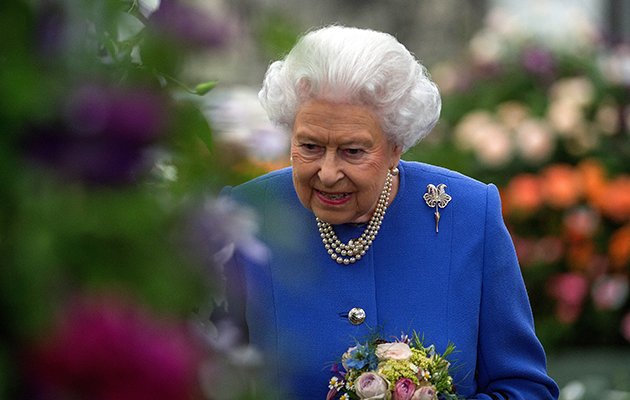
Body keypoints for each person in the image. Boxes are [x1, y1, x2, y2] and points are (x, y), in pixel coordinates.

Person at [217, 25, 559, 400]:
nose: (328, 173)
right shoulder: (247, 214)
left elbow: (525, 389)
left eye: (353, 151)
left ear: (396, 146)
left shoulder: (470, 214)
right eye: (310, 146)